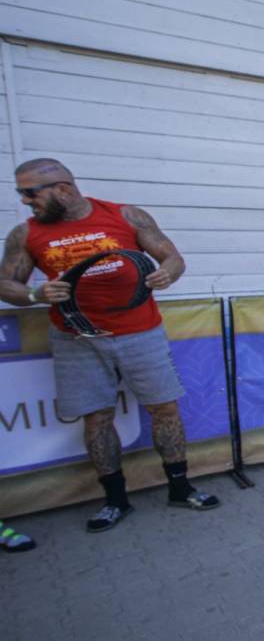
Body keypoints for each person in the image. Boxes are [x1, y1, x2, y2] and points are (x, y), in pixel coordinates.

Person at [1, 158, 220, 532]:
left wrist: (167, 273)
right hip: (76, 338)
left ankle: (180, 488)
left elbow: (173, 257)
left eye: (30, 193)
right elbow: (6, 284)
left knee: (165, 409)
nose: (24, 201)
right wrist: (36, 293)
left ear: (62, 189)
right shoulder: (25, 233)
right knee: (97, 417)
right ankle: (116, 500)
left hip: (140, 331)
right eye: (21, 193)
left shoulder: (126, 215)